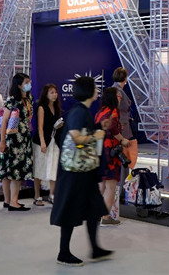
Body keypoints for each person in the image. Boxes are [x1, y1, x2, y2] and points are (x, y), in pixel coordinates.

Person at [50, 76, 112, 266]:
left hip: (84, 171)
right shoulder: (79, 112)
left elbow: (84, 132)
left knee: (93, 209)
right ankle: (63, 253)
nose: (97, 90)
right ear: (88, 91)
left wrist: (99, 127)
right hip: (75, 173)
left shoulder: (82, 111)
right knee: (70, 211)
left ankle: (95, 248)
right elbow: (77, 138)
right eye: (95, 87)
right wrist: (96, 135)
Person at [95, 87, 130, 225]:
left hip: (100, 150)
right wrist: (122, 139)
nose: (120, 97)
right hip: (110, 150)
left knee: (101, 184)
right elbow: (112, 127)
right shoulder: (113, 111)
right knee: (111, 185)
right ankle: (105, 217)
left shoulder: (100, 111)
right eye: (118, 95)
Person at [0, 73, 33, 211]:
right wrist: (2, 141)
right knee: (12, 171)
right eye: (26, 82)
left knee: (14, 171)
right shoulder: (12, 101)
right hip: (13, 140)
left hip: (24, 139)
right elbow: (4, 122)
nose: (29, 84)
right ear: (18, 85)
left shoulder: (29, 99)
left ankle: (10, 201)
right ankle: (12, 201)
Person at [32, 83, 63, 206]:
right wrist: (42, 142)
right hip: (42, 141)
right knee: (39, 167)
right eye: (51, 92)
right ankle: (37, 195)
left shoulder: (56, 108)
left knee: (53, 168)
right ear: (46, 94)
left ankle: (52, 194)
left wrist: (58, 126)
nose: (54, 95)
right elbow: (39, 127)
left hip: (54, 141)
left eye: (55, 92)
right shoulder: (41, 107)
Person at [112, 67, 137, 168]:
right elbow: (115, 109)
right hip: (121, 126)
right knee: (123, 155)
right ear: (125, 78)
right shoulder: (117, 91)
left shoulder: (117, 90)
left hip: (123, 124)